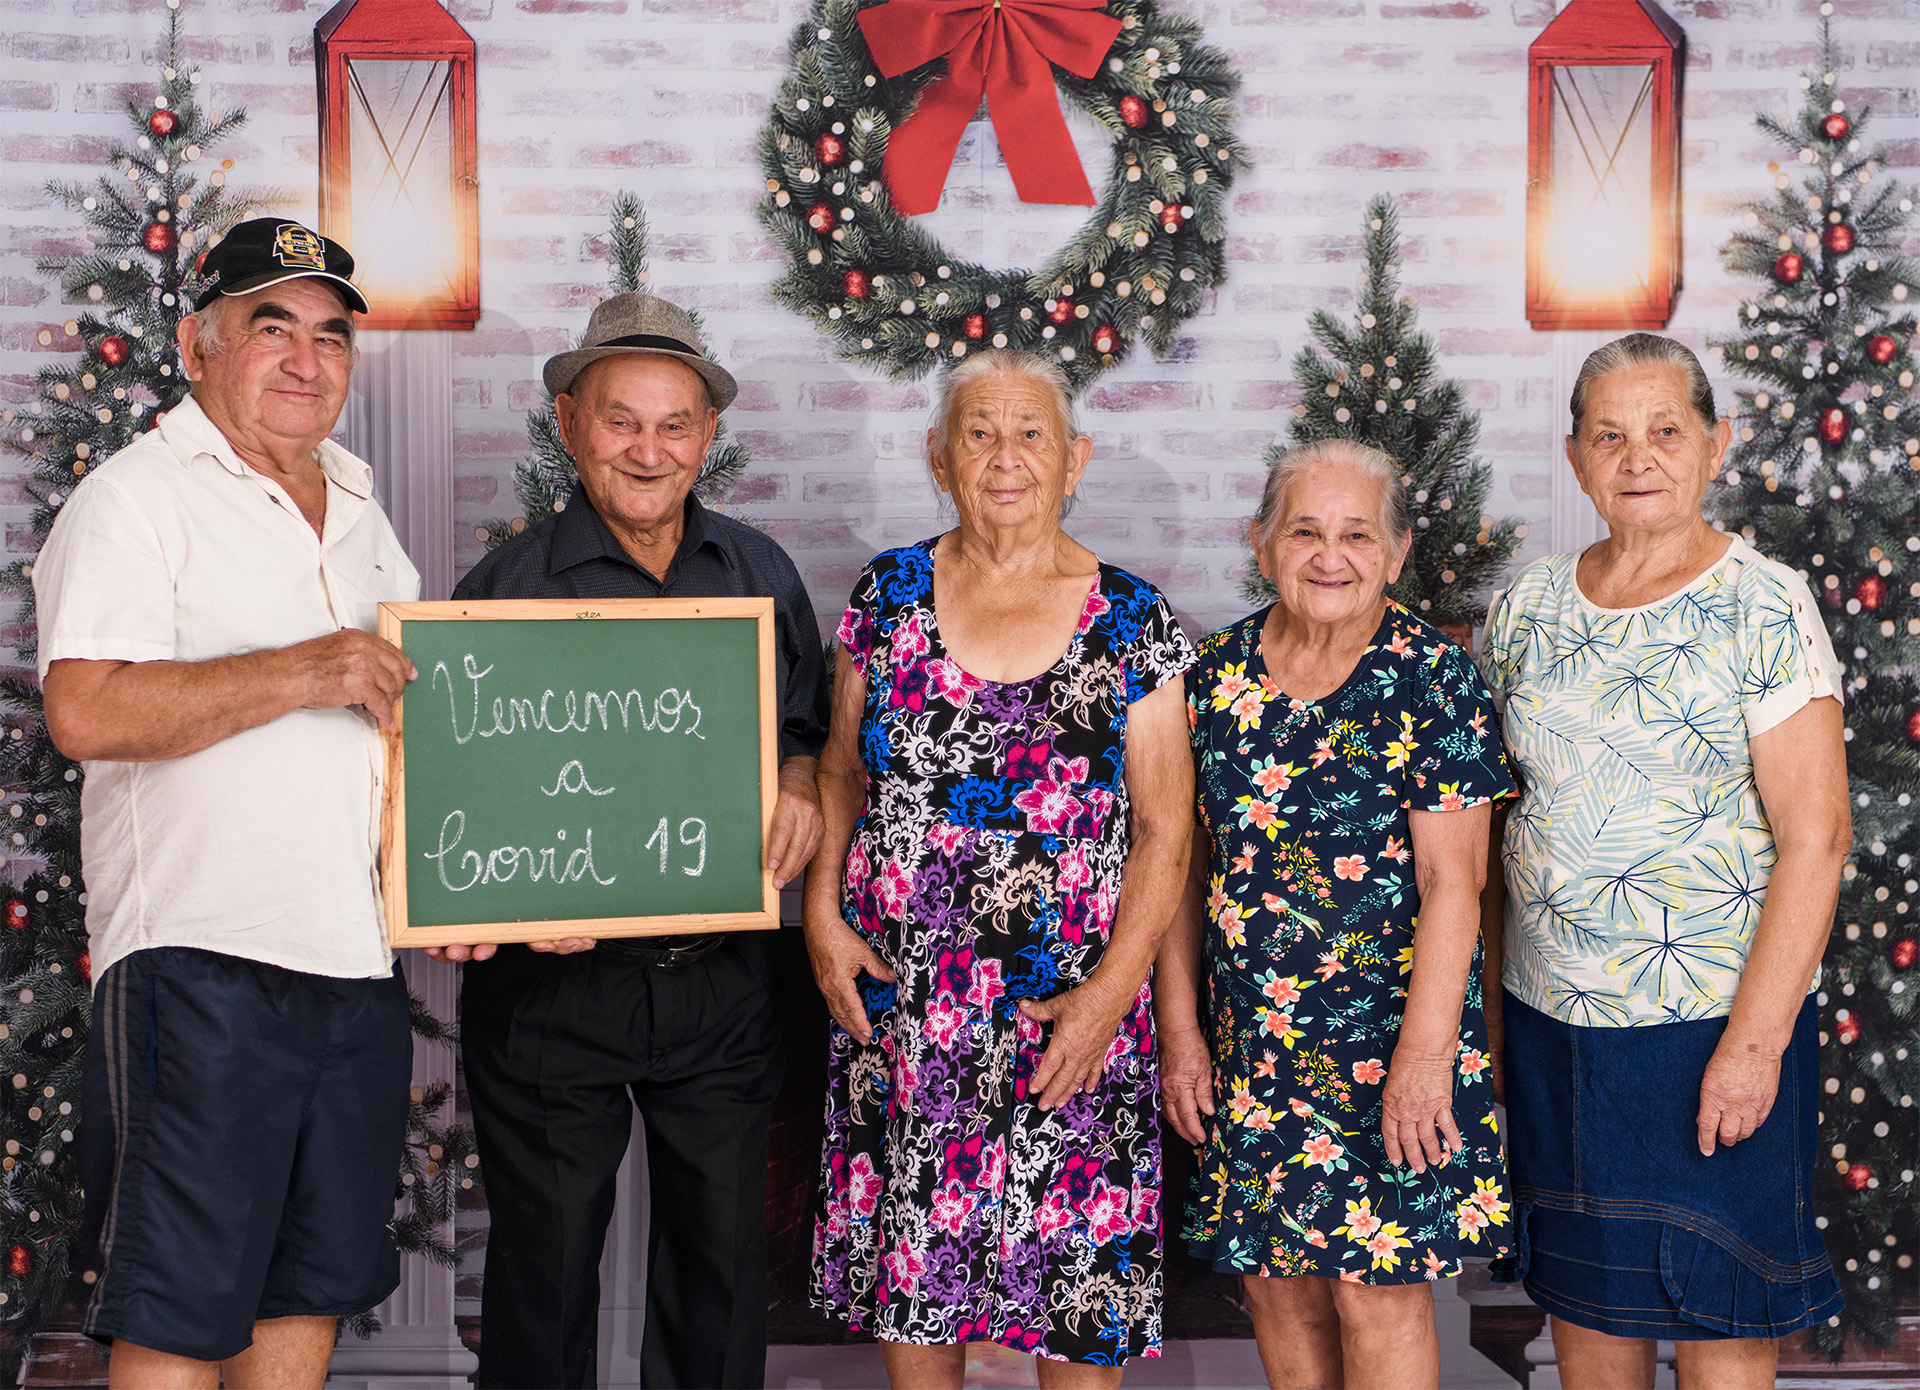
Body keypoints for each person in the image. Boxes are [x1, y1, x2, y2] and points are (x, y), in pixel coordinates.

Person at [34, 218, 418, 1388]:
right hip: (198, 965)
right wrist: (303, 670)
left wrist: (460, 885)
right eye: (271, 328)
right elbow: (84, 710)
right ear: (198, 346)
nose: (307, 359)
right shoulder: (135, 499)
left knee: (309, 1286)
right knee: (179, 1304)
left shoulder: (360, 508)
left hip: (354, 962)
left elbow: (393, 742)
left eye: (331, 336)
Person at [431, 291, 830, 1390]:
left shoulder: (758, 573)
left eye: (673, 424)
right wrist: (501, 903)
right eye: (620, 421)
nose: (648, 451)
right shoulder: (500, 592)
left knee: (720, 1273)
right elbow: (458, 793)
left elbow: (807, 732)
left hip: (721, 981)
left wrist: (801, 781)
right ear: (570, 425)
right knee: (544, 1273)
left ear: (708, 435)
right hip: (550, 992)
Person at [803, 348, 1194, 1386]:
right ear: (940, 456)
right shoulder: (888, 595)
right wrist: (821, 918)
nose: (1005, 456)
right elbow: (838, 773)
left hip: (1073, 1021)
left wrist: (1110, 998)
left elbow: (1166, 831)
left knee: (1078, 1310)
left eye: (1031, 433)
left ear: (1075, 460)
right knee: (918, 1299)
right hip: (911, 1017)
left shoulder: (1133, 619)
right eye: (979, 433)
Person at [1478, 333, 1847, 1389]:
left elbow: (1818, 837)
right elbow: (1498, 829)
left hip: (1712, 1029)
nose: (1637, 456)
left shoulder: (1765, 603)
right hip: (1554, 1030)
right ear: (1575, 457)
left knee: (1721, 1310)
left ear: (1717, 444)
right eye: (1609, 436)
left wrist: (1754, 1047)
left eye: (1665, 431)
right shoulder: (1527, 606)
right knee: (1586, 1312)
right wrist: (1494, 1032)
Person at [1156, 438, 1517, 1389]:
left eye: (1357, 535)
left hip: (1394, 1046)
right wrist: (1182, 1036)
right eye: (1304, 531)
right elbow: (1181, 872)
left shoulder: (1432, 678)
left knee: (1375, 1291)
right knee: (1277, 1287)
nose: (1330, 556)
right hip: (1255, 1049)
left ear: (1395, 554)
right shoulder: (1213, 677)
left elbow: (1455, 884)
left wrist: (1424, 1063)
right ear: (1261, 543)